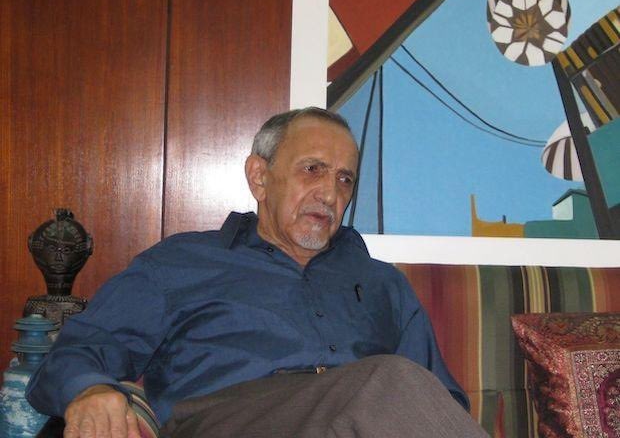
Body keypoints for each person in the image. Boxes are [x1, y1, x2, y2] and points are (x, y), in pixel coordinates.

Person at [27, 107, 488, 437]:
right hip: (228, 419)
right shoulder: (182, 262)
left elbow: (440, 402)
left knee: (393, 386)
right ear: (259, 177)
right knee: (389, 382)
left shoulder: (384, 284)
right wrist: (88, 390)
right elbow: (79, 350)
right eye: (313, 169)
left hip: (358, 418)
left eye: (344, 179)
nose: (330, 194)